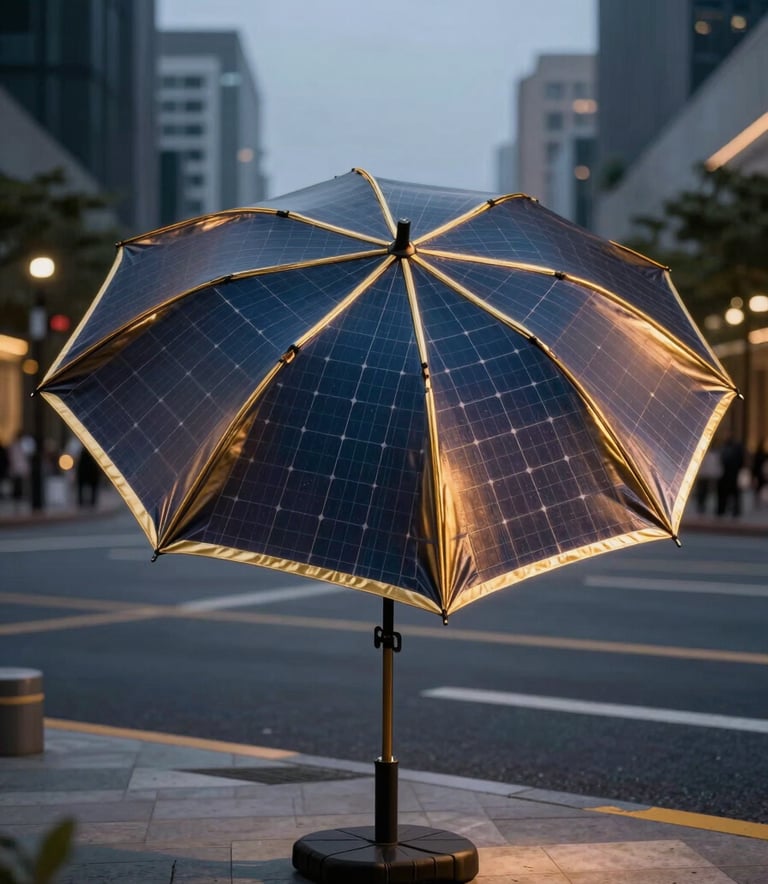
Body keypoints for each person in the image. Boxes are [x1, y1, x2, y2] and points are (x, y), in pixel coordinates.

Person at [716, 435, 745, 517]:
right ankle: (732, 510)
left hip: (727, 475)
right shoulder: (733, 450)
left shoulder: (725, 449)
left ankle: (722, 510)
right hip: (732, 475)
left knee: (726, 494)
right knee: (733, 494)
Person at [694, 444, 721, 515]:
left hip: (706, 476)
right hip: (703, 475)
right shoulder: (705, 454)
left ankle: (702, 505)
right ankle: (700, 505)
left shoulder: (713, 455)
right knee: (702, 492)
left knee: (705, 492)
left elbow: (715, 466)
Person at [7, 432, 30, 508]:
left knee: (20, 483)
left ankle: (19, 495)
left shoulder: (22, 446)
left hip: (20, 467)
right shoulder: (15, 446)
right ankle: (16, 496)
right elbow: (12, 458)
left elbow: (24, 458)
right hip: (17, 467)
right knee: (16, 483)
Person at [752, 439, 767, 509]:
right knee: (759, 488)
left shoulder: (760, 455)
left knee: (760, 489)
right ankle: (759, 502)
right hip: (760, 474)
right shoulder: (762, 455)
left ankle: (759, 502)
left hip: (760, 474)